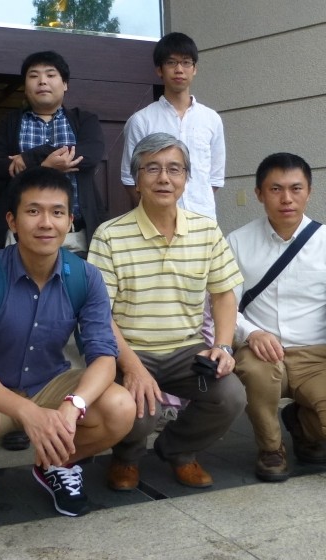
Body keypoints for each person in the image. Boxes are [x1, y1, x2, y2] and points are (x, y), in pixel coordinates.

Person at [0, 167, 134, 531]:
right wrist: (27, 413)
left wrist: (72, 406)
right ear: (12, 221)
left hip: (51, 384)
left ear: (70, 221)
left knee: (120, 406)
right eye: (33, 211)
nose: (46, 223)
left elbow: (104, 358)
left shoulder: (86, 276)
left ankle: (56, 463)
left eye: (57, 212)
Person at [88, 133, 245, 491]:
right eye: (152, 169)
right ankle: (126, 457)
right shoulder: (109, 235)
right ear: (136, 179)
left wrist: (222, 346)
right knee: (142, 409)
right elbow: (99, 314)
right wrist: (133, 367)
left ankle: (178, 450)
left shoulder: (206, 230)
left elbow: (223, 294)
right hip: (129, 349)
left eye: (174, 169)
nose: (164, 178)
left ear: (186, 178)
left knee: (230, 396)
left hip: (186, 350)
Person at [226, 153, 326, 482]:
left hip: (316, 356)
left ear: (309, 192)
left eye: (296, 188)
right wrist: (251, 333)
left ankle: (301, 424)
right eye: (275, 189)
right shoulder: (237, 241)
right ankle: (270, 448)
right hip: (261, 351)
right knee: (256, 370)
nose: (287, 198)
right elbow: (223, 307)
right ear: (259, 194)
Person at [0, 50, 105, 256]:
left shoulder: (84, 120)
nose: (42, 81)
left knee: (76, 278)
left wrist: (30, 157)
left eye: (50, 75)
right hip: (20, 236)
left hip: (75, 237)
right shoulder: (10, 122)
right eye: (34, 76)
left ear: (65, 84)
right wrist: (44, 167)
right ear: (25, 87)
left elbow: (90, 154)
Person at [120, 32, 225, 219]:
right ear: (159, 70)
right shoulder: (141, 121)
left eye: (186, 62)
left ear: (194, 69)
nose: (179, 69)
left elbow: (215, 178)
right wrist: (154, 212)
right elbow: (129, 179)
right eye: (171, 62)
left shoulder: (211, 119)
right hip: (156, 222)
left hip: (203, 220)